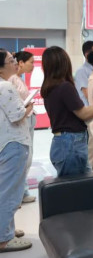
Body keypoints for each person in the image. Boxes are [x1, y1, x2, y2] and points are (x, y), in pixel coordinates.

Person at [41, 46, 93, 176]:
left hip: (63, 142)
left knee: (80, 182)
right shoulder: (65, 87)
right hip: (71, 143)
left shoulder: (49, 87)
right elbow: (84, 113)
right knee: (75, 185)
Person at [0, 49, 33, 253]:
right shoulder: (6, 86)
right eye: (11, 60)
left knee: (5, 189)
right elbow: (17, 115)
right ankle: (3, 238)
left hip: (5, 142)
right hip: (14, 142)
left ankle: (6, 230)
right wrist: (27, 108)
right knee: (10, 192)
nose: (15, 63)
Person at [9, 51, 36, 204]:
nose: (33, 65)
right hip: (22, 119)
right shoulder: (11, 80)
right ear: (20, 63)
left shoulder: (19, 78)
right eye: (31, 62)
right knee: (24, 157)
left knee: (27, 157)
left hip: (28, 118)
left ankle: (21, 192)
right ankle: (19, 194)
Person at [74, 41, 93, 169]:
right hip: (91, 114)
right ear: (87, 54)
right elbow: (88, 94)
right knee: (92, 150)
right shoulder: (82, 71)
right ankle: (90, 176)